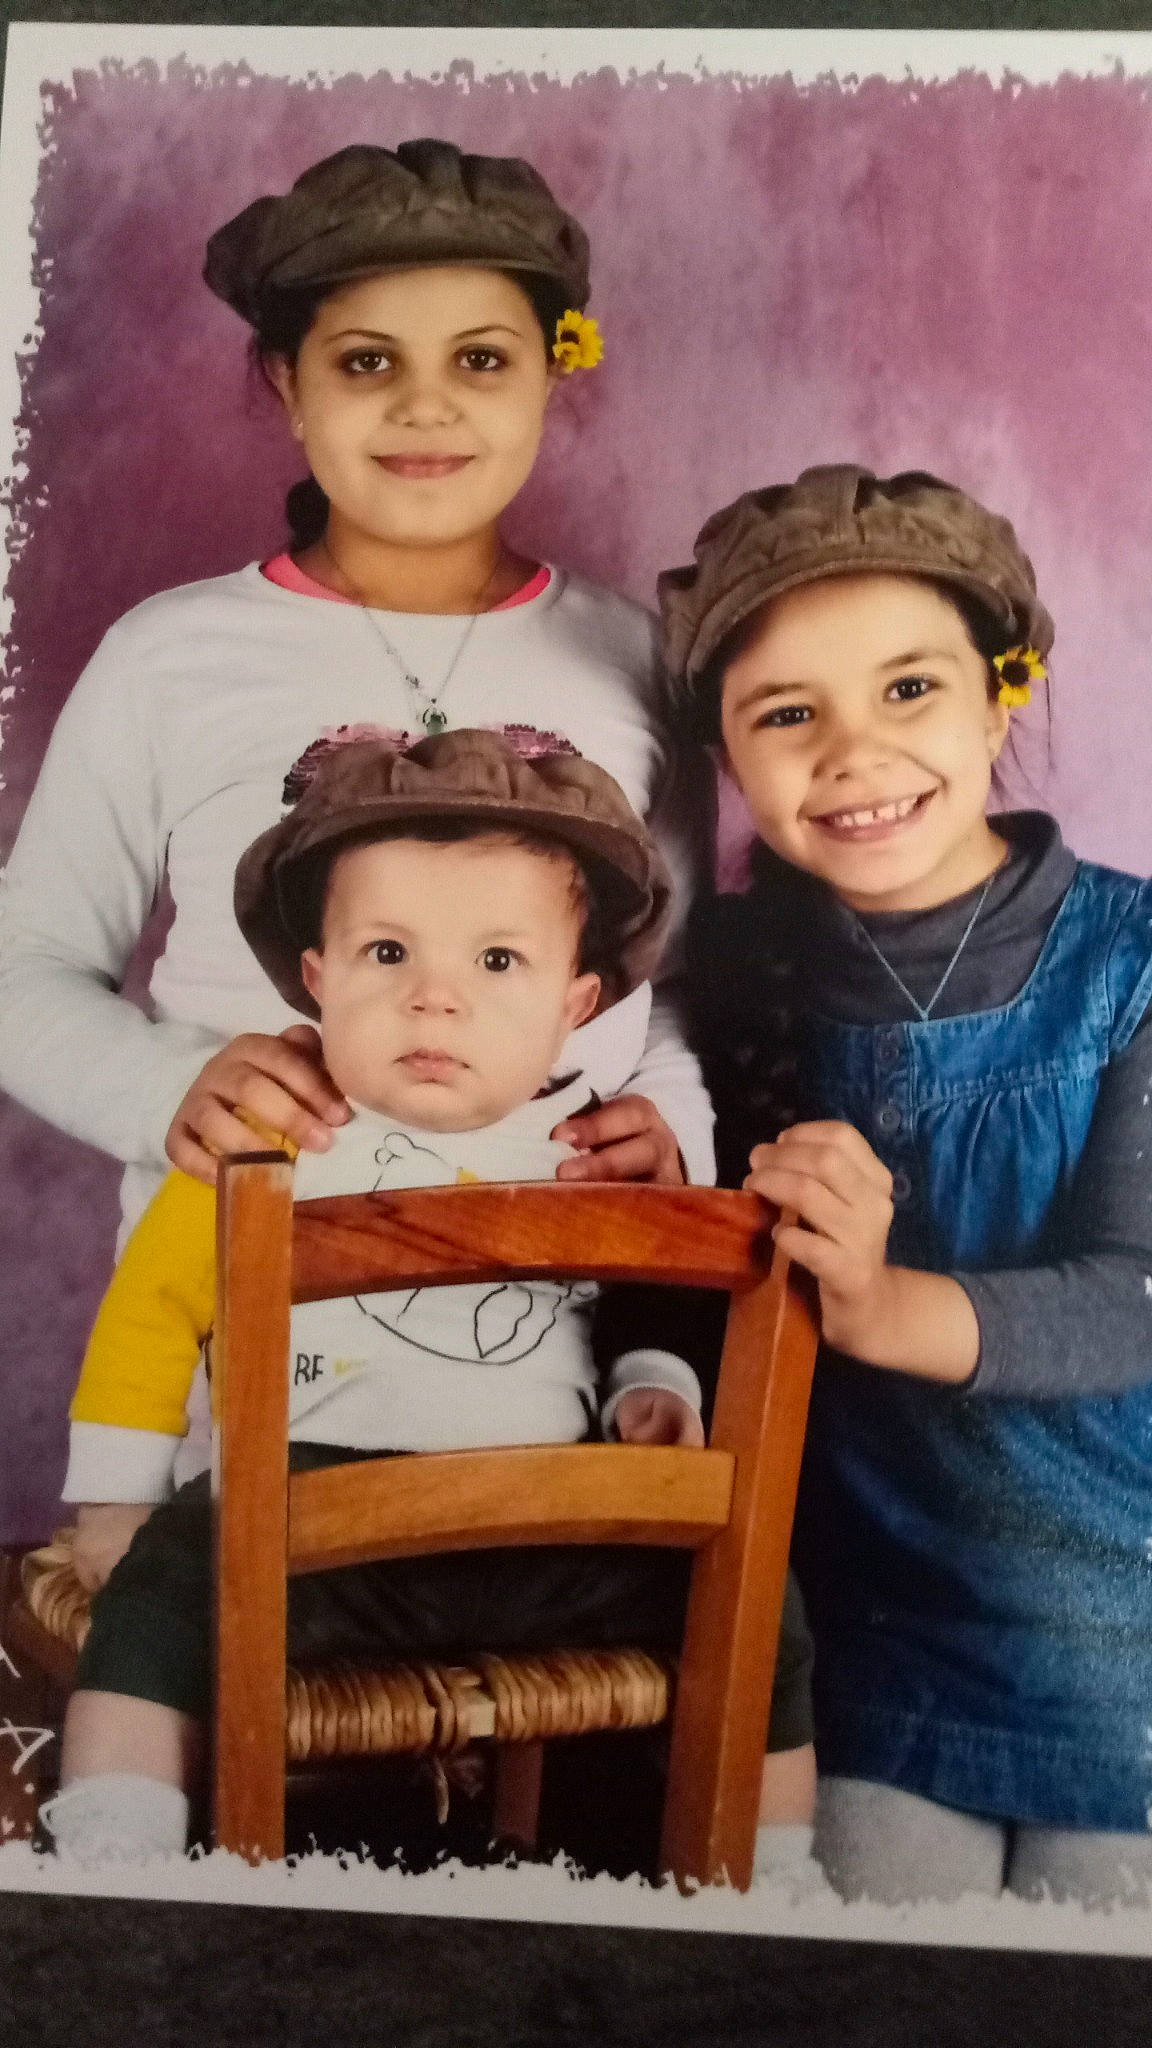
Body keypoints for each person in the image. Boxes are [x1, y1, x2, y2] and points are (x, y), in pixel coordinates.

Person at [43, 729, 815, 1873]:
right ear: (317, 976)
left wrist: (651, 1386)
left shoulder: (587, 1139)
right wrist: (112, 1501)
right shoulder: (276, 1133)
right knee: (154, 1597)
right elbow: (153, 1309)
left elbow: (649, 1302)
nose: (436, 1000)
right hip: (305, 1526)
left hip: (548, 1525)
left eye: (499, 963)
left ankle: (777, 1876)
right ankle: (116, 1863)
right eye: (388, 951)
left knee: (760, 1596)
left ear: (576, 1002)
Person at [0, 139, 714, 1280]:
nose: (426, 406)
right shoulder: (171, 656)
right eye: (368, 362)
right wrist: (163, 1086)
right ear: (288, 382)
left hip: (554, 1336)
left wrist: (676, 1112)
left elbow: (665, 982)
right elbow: (22, 961)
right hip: (243, 1315)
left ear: (551, 372)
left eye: (481, 359)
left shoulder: (635, 657)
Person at [659, 464, 1152, 1907]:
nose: (855, 755)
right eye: (788, 715)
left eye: (911, 690)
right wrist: (642, 1149)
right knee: (879, 1951)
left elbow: (1133, 1300)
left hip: (1118, 1600)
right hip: (858, 1616)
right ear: (727, 761)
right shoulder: (726, 987)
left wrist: (873, 1302)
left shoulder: (1132, 966)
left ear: (1005, 696)